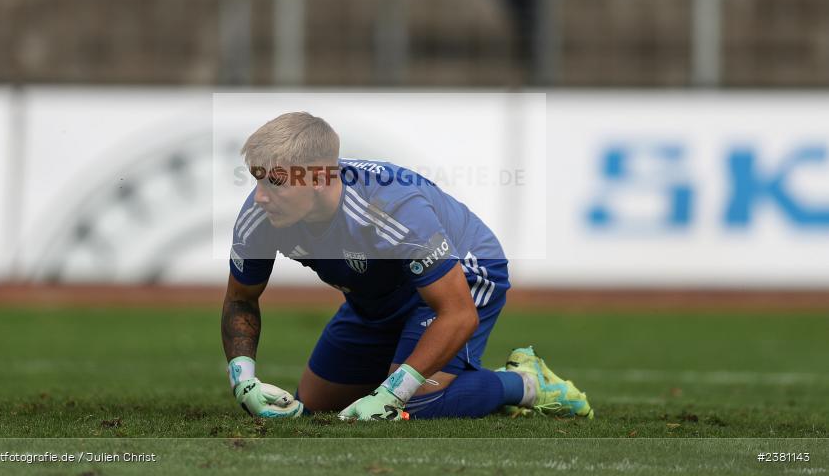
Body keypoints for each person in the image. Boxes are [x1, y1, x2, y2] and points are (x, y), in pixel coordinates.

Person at [221, 112, 593, 420]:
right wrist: (244, 381)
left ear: (319, 178)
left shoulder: (390, 209)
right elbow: (241, 299)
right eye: (257, 179)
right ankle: (420, 375)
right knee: (316, 405)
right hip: (379, 295)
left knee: (412, 403)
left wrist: (393, 392)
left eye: (275, 182)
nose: (260, 196)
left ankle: (525, 383)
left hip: (463, 275)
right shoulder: (261, 214)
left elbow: (459, 313)